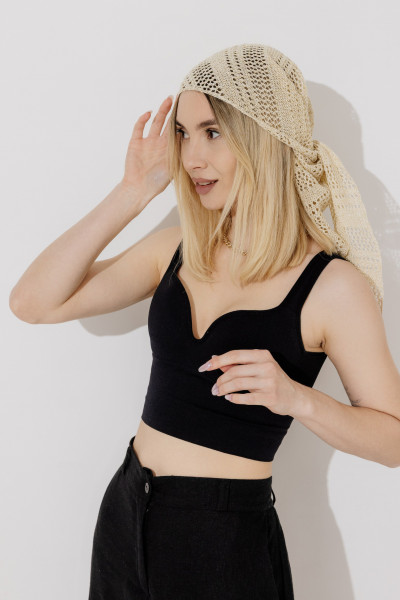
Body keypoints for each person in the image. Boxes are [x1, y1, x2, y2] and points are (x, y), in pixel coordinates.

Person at [9, 44, 400, 600]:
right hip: (126, 509)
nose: (192, 157)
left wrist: (298, 398)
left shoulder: (333, 287)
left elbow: (394, 439)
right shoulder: (179, 249)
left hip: (222, 538)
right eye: (184, 134)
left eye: (212, 132)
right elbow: (32, 302)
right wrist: (133, 191)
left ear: (264, 139)